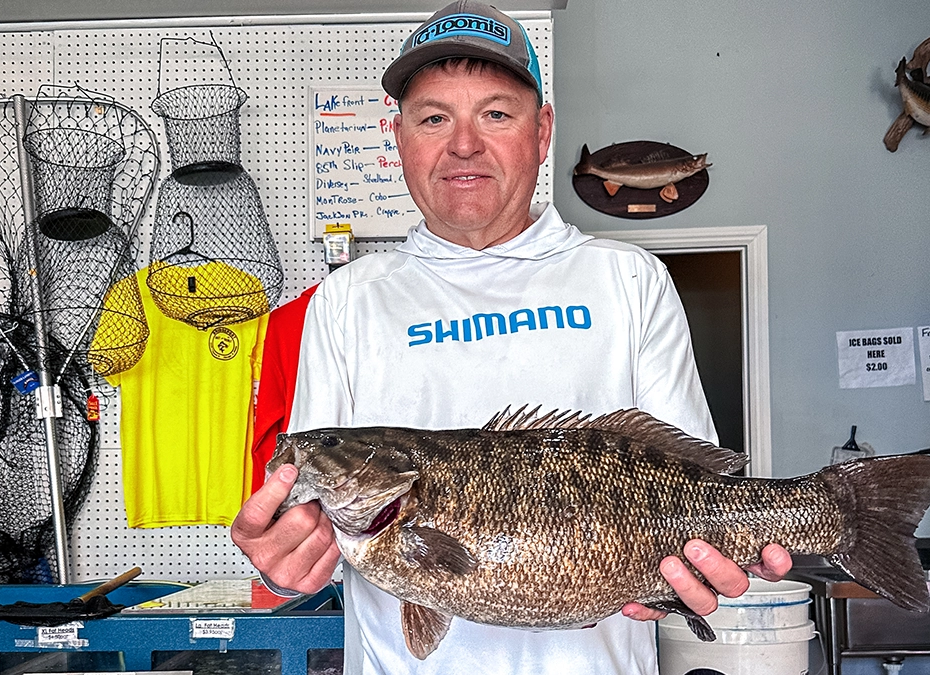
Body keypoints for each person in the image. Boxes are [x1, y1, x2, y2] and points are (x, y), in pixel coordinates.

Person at [231, 2, 792, 672]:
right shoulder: (346, 300)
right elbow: (321, 529)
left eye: (495, 114)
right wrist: (288, 559)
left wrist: (699, 575)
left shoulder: (628, 280)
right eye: (434, 117)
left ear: (543, 129)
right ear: (398, 136)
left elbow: (694, 490)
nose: (463, 143)